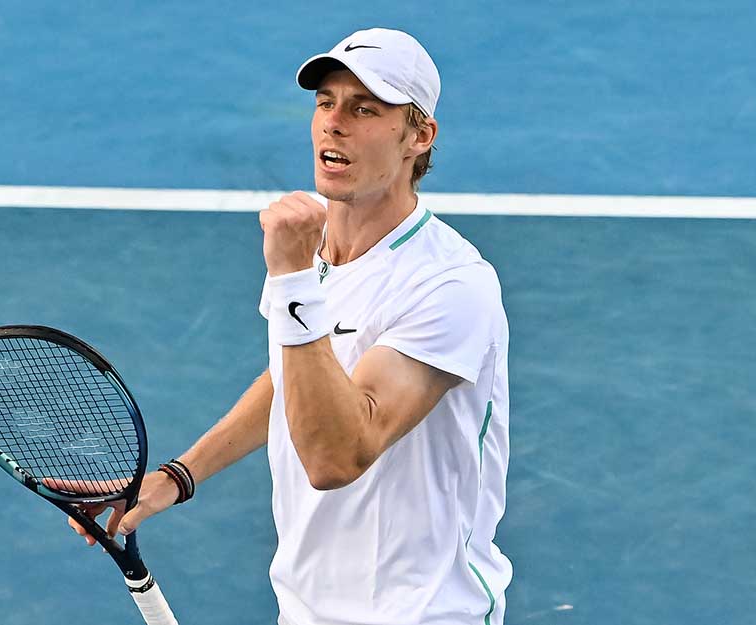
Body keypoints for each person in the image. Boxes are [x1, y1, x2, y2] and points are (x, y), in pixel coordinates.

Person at [69, 27, 512, 625]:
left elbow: (337, 455)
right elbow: (297, 374)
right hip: (305, 609)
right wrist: (177, 476)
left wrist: (291, 279)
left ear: (419, 136)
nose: (334, 123)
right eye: (326, 103)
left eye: (365, 109)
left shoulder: (452, 285)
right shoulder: (315, 251)